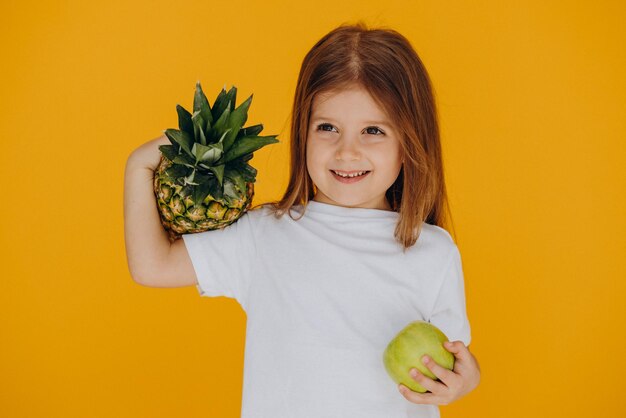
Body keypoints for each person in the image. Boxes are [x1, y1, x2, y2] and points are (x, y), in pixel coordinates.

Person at [124, 21, 481, 418]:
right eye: (327, 127)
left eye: (373, 130)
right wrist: (138, 166)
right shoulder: (265, 235)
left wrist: (466, 381)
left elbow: (454, 363)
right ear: (302, 134)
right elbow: (152, 266)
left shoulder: (432, 251)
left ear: (409, 143)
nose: (348, 151)